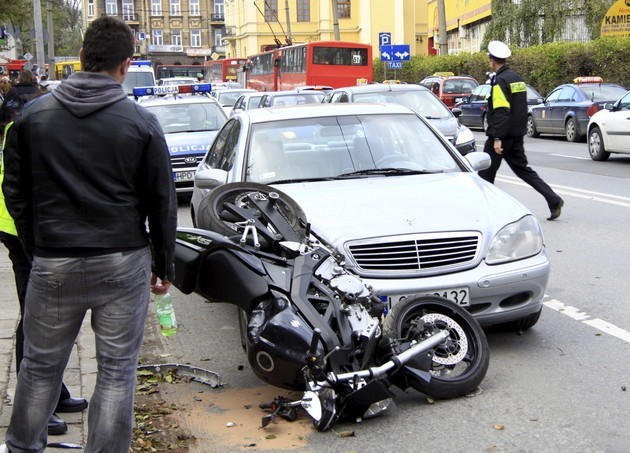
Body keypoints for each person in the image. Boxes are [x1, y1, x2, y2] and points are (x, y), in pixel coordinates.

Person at [2, 15, 177, 453]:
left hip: (54, 259)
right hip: (122, 259)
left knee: (40, 366)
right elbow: (162, 200)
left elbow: (15, 192)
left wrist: (36, 245)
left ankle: (23, 447)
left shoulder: (32, 117)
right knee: (117, 370)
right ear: (126, 64)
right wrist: (163, 263)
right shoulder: (140, 121)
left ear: (81, 57)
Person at [0, 108, 88, 438]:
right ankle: (37, 409)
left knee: (44, 317)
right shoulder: (28, 127)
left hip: (30, 229)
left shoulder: (32, 123)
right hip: (24, 232)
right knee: (35, 318)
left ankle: (55, 393)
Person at [478, 41, 564, 221]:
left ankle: (485, 212)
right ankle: (553, 199)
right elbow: (519, 108)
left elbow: (501, 111)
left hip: (501, 136)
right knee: (524, 171)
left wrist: (497, 138)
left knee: (484, 174)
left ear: (493, 60)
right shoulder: (517, 78)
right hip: (516, 134)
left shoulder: (500, 81)